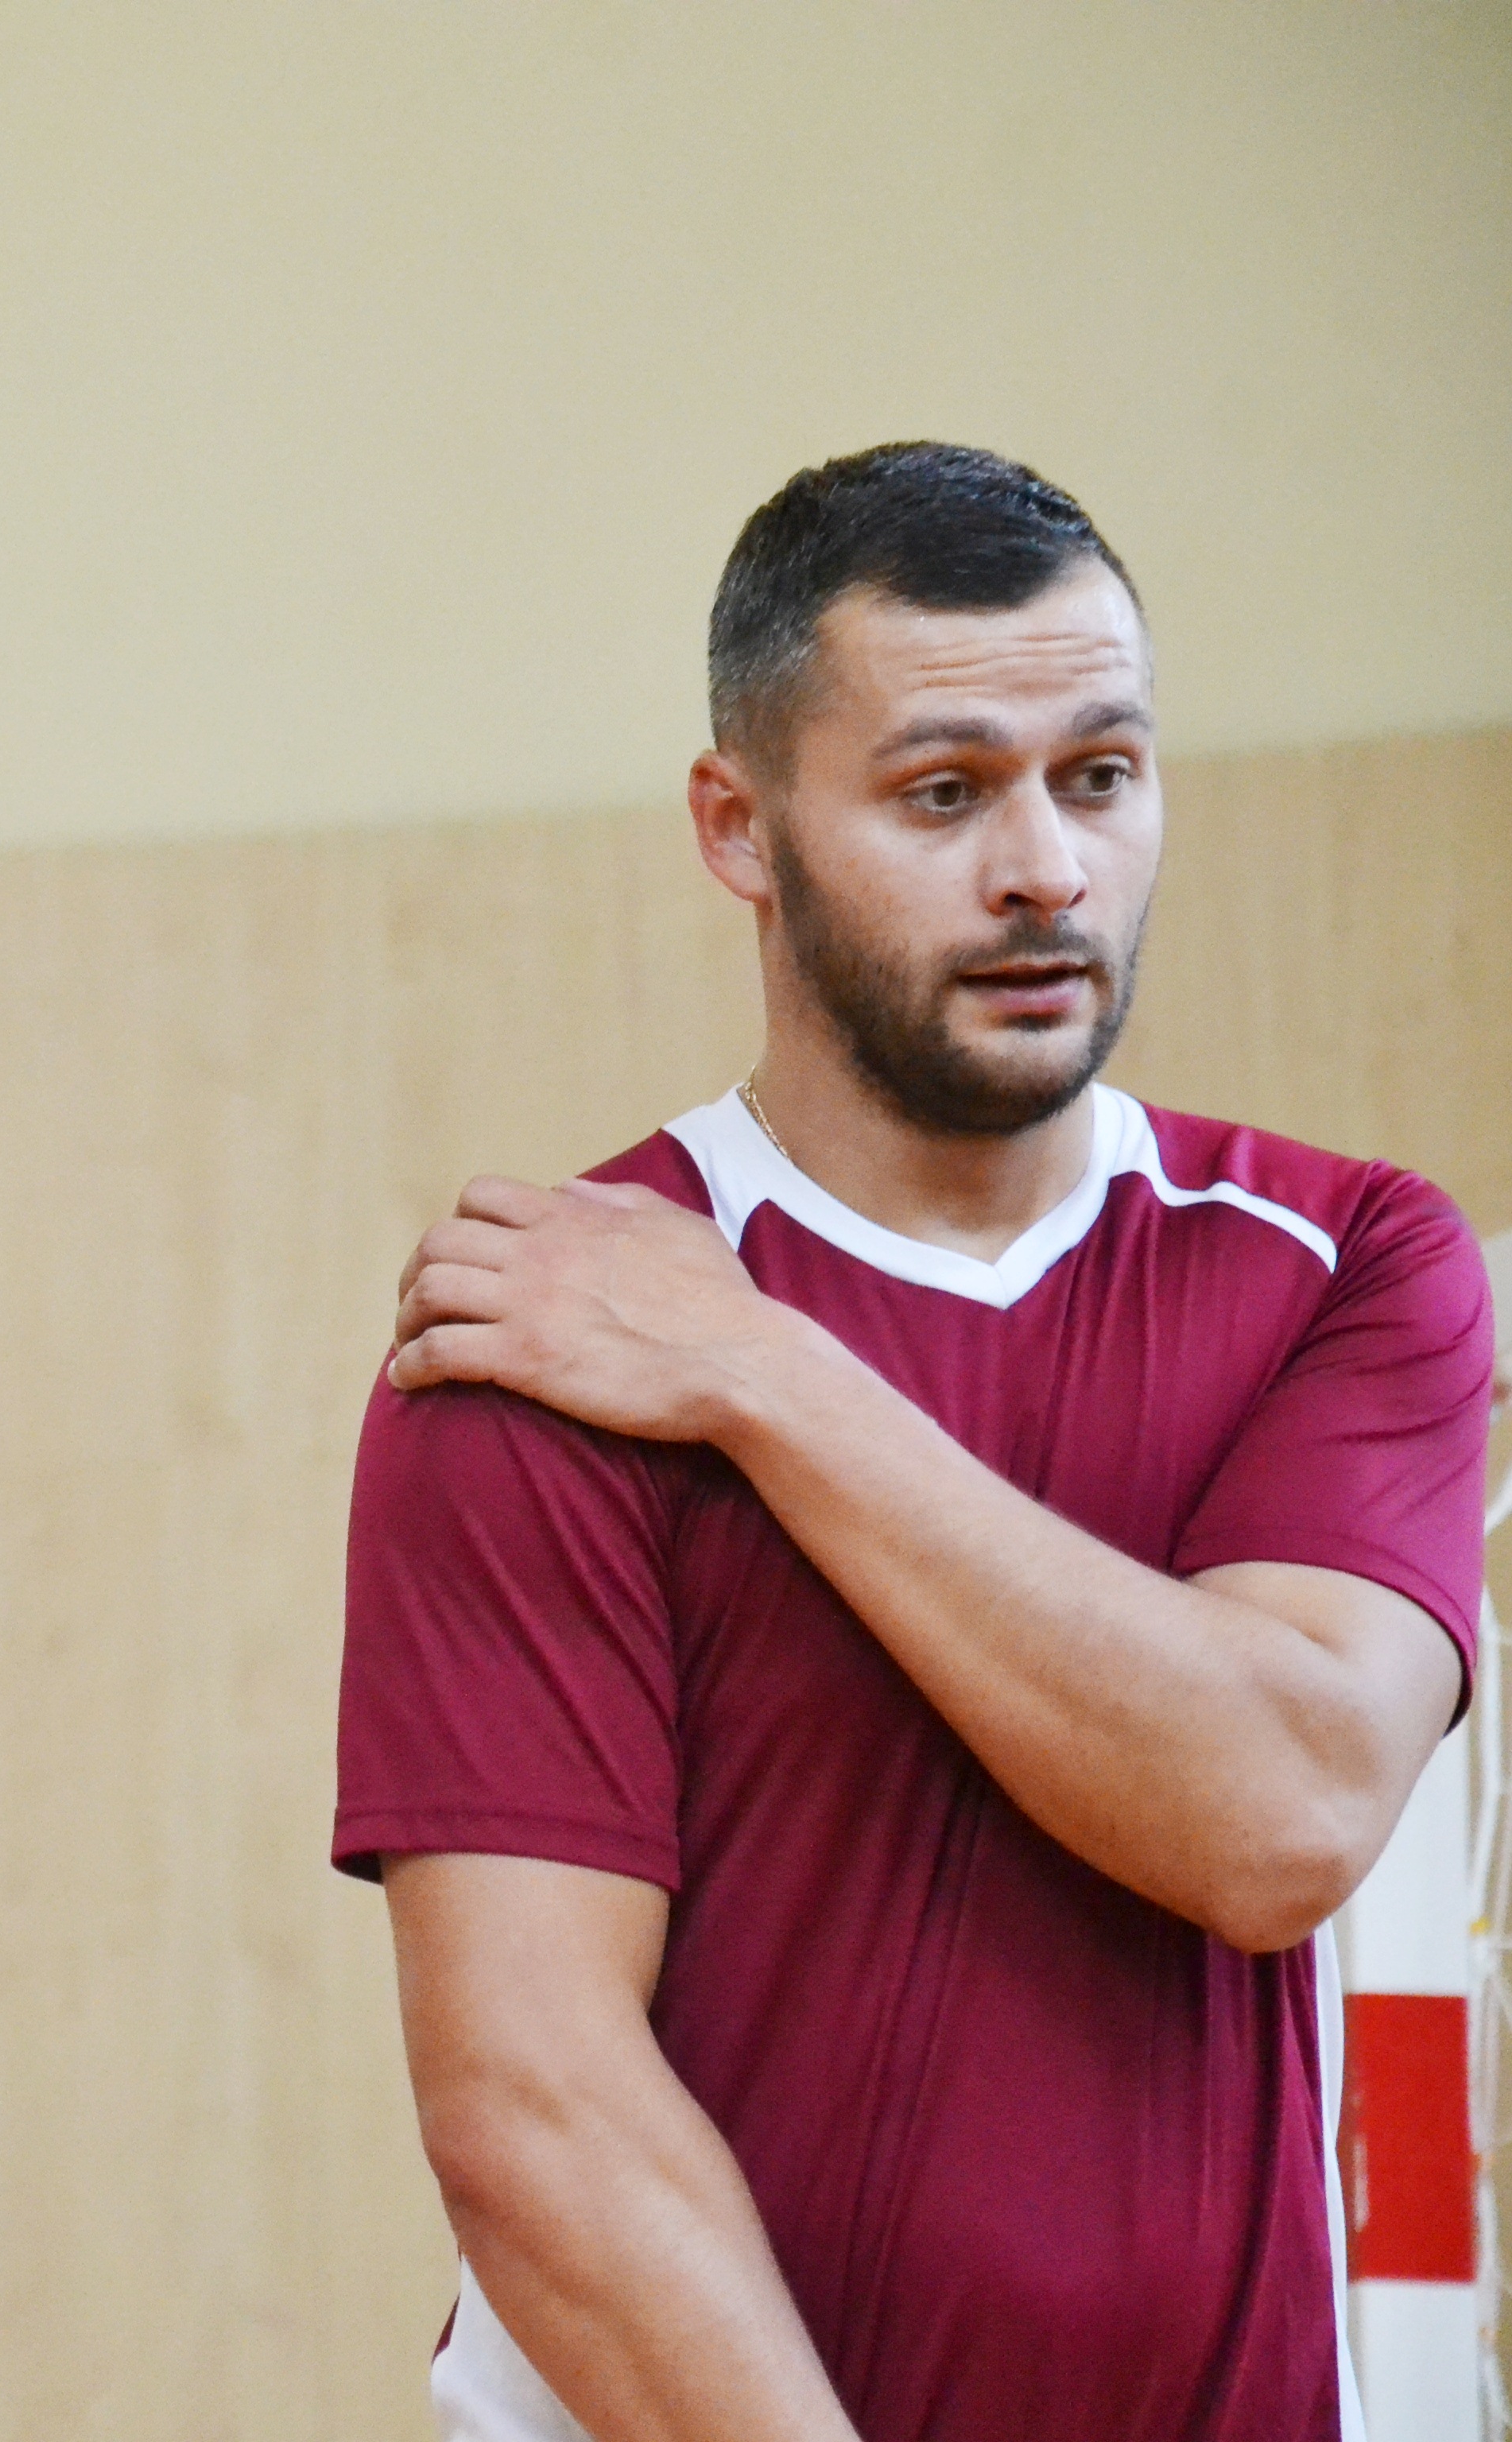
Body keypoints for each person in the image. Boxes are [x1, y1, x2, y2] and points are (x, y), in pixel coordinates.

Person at [333, 444, 1495, 2439]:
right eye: (945, 793)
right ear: (740, 826)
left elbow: (1279, 1817)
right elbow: (535, 2110)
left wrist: (762, 1377)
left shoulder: (1352, 1263)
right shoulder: (536, 1336)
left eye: (1100, 776)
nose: (1046, 869)